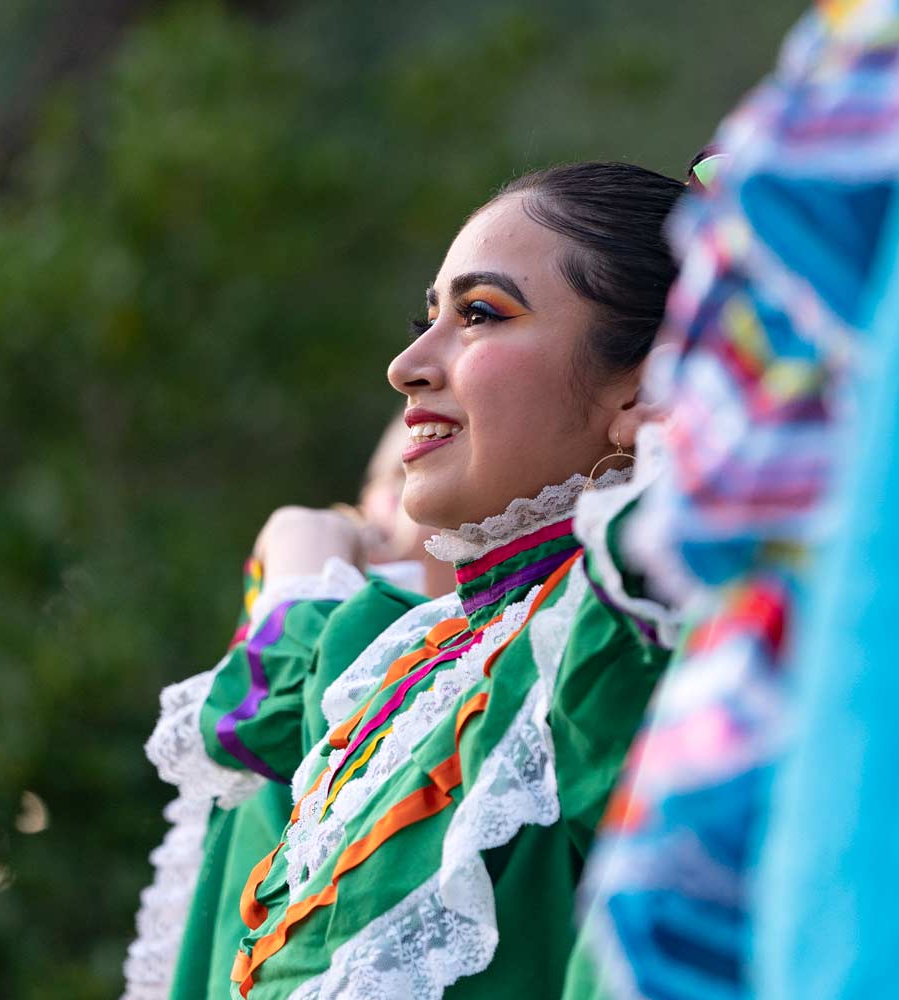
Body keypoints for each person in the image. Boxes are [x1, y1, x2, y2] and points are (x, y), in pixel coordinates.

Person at [218, 161, 682, 998]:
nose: (406, 365)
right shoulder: (410, 662)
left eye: (479, 314)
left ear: (644, 383)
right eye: (428, 316)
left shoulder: (619, 634)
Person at [126, 414, 456, 1000]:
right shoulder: (328, 624)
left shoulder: (433, 656)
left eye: (430, 448)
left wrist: (306, 576)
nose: (387, 502)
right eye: (386, 475)